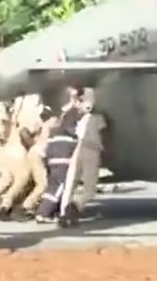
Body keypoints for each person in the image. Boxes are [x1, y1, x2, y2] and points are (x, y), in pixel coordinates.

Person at [36, 86, 83, 225]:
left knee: (54, 184)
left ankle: (47, 211)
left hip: (54, 150)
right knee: (61, 184)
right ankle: (44, 212)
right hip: (63, 152)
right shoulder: (74, 115)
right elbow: (77, 132)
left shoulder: (62, 115)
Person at [0, 95, 41, 220]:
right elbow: (24, 131)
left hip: (9, 146)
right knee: (22, 178)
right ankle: (6, 205)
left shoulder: (18, 105)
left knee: (9, 179)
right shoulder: (30, 107)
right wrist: (34, 146)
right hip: (19, 149)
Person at [62, 89, 106, 221]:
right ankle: (75, 206)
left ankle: (63, 213)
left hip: (78, 148)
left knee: (70, 183)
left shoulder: (81, 120)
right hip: (92, 149)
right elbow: (104, 131)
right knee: (89, 190)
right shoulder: (99, 119)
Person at [21, 105, 60, 219]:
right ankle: (27, 206)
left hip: (34, 152)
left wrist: (31, 143)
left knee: (40, 182)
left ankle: (36, 205)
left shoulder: (40, 124)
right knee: (43, 184)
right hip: (39, 154)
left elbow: (23, 131)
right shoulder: (53, 122)